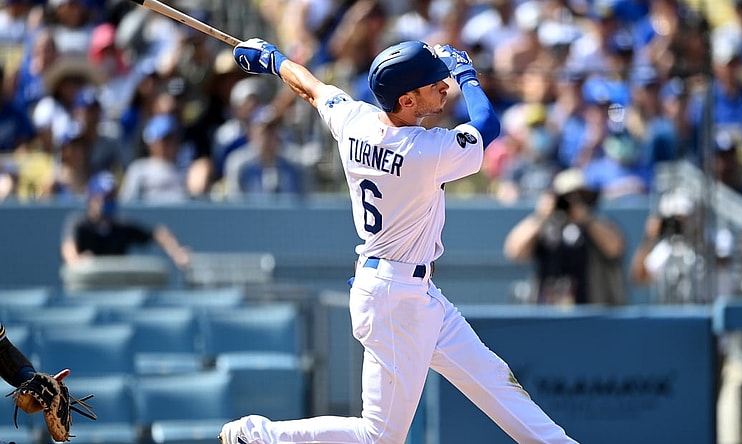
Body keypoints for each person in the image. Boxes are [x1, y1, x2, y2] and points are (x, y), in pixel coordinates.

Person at [219, 38, 577, 443]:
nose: (445, 87)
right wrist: (468, 75)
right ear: (406, 100)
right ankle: (258, 435)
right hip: (394, 297)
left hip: (412, 290)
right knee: (380, 437)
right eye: (433, 83)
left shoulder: (355, 120)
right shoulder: (422, 151)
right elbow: (488, 127)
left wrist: (274, 60)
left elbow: (312, 89)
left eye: (444, 80)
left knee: (494, 379)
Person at [503, 168, 626, 306]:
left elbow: (615, 248)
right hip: (549, 313)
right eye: (567, 197)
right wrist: (540, 217)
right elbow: (515, 252)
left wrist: (586, 219)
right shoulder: (544, 228)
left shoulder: (600, 224)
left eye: (582, 196)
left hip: (594, 312)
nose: (574, 202)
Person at [61, 170, 190, 268]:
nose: (107, 202)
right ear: (92, 198)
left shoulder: (121, 227)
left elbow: (158, 234)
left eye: (112, 197)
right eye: (104, 197)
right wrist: (79, 262)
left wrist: (176, 252)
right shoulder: (79, 224)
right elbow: (69, 251)